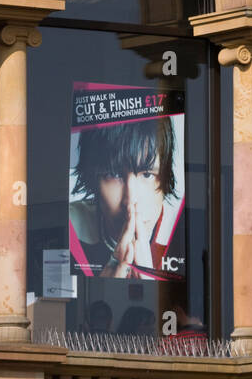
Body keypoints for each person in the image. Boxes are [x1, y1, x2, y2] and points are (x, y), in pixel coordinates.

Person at [69, 116, 181, 279]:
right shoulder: (66, 227)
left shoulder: (185, 235)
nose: (130, 201)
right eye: (113, 174)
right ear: (93, 180)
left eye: (148, 175)